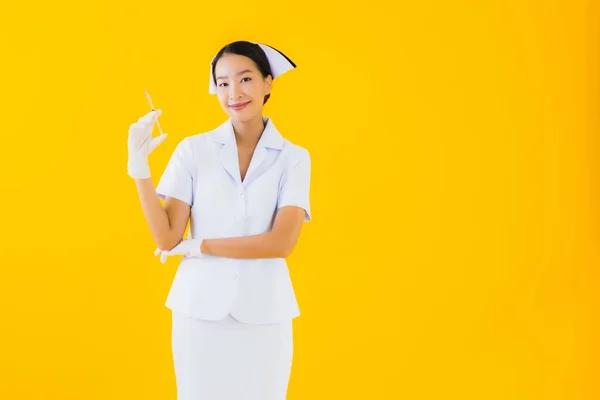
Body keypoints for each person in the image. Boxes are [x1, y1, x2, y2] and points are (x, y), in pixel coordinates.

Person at [126, 40, 311, 400]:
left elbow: (281, 243)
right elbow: (167, 238)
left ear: (268, 83)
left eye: (245, 79)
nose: (234, 92)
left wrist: (200, 246)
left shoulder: (294, 158)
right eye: (223, 83)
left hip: (266, 313)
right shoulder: (193, 150)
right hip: (199, 312)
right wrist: (139, 168)